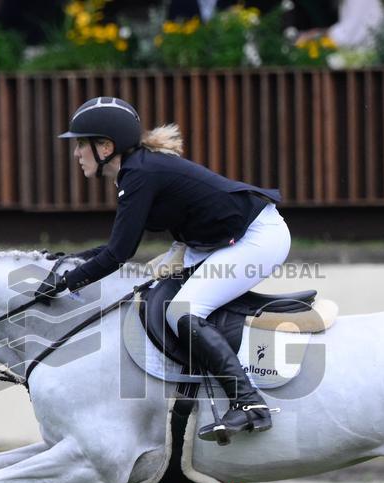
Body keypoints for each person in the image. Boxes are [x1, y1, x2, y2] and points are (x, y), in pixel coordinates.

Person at [35, 96, 290, 441]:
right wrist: (65, 264)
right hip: (214, 242)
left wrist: (65, 281)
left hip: (256, 239)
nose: (76, 153)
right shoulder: (135, 171)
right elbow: (115, 247)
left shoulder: (139, 174)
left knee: (183, 311)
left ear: (106, 147)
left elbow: (117, 255)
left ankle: (249, 404)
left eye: (81, 144)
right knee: (156, 297)